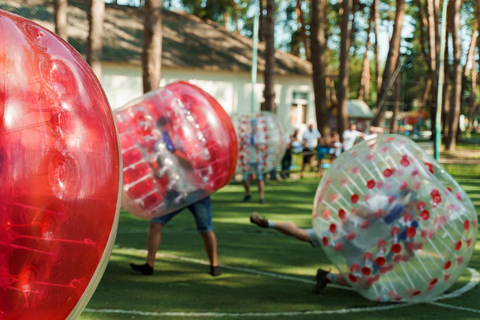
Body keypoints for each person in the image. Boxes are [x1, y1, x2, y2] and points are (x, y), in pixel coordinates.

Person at [249, 212, 351, 293]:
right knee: (363, 281)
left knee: (301, 233)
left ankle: (269, 223)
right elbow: (362, 212)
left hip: (345, 232)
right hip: (353, 241)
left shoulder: (366, 197)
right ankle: (327, 277)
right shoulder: (367, 202)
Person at [130, 196, 222, 277]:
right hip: (175, 193)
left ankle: (214, 265)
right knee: (155, 223)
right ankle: (149, 265)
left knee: (205, 229)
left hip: (197, 194)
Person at [241, 119, 266, 204]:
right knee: (244, 178)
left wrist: (257, 146)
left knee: (260, 178)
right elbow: (242, 146)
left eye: (255, 125)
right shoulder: (246, 136)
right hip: (248, 160)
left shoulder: (260, 136)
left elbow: (263, 148)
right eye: (252, 125)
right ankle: (248, 194)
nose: (254, 127)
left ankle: (261, 197)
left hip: (257, 159)